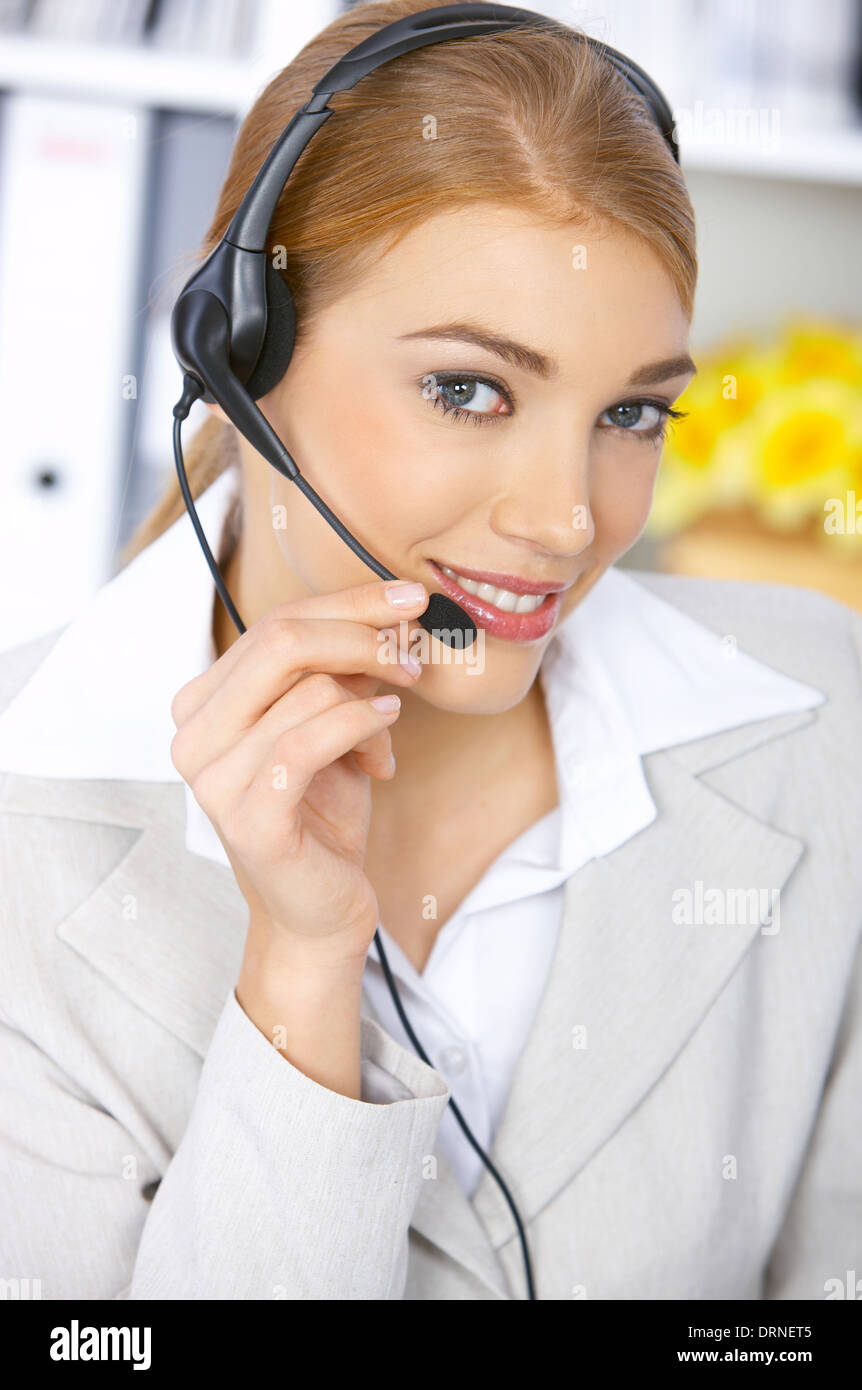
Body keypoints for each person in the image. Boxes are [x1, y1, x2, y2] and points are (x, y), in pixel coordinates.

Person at [0, 0, 859, 1302]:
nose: (568, 518)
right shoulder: (21, 815)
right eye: (469, 389)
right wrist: (302, 962)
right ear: (240, 356)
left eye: (630, 411)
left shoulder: (820, 712)